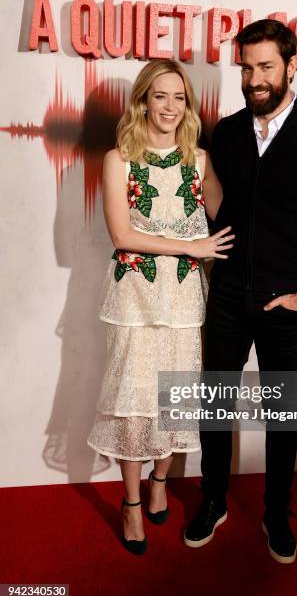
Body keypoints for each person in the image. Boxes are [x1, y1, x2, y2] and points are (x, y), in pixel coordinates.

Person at [184, 19, 297, 563]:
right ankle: (213, 499)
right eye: (246, 67)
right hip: (229, 296)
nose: (254, 78)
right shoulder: (229, 132)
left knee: (281, 413)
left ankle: (276, 512)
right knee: (215, 404)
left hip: (286, 303)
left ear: (290, 66)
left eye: (265, 67)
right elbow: (216, 201)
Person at [87, 59, 233, 555]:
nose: (170, 107)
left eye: (179, 98)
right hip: (135, 297)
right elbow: (122, 235)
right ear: (143, 100)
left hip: (185, 298)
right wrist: (190, 247)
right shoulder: (119, 158)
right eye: (160, 96)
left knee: (177, 395)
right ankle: (131, 504)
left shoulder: (200, 159)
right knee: (134, 398)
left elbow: (229, 215)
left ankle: (159, 483)